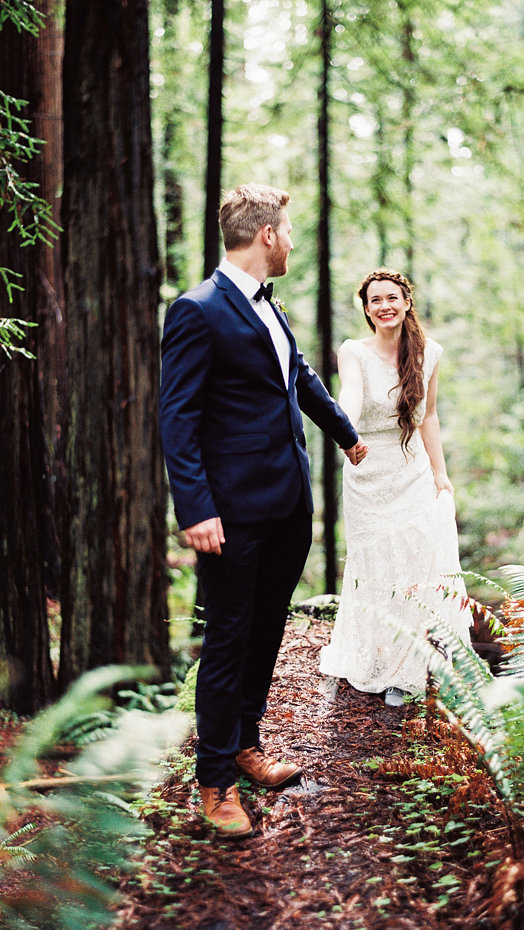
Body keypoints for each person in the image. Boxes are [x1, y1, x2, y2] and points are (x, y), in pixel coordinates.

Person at [159, 183, 368, 838]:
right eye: (290, 231)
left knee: (266, 630)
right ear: (269, 235)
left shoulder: (267, 306)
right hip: (230, 513)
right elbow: (177, 418)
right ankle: (215, 780)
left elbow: (298, 377)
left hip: (286, 506)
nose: (294, 243)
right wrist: (195, 509)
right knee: (227, 638)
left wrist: (348, 435)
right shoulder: (196, 309)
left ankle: (246, 743)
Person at [319, 268, 471, 706]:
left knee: (414, 567)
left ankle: (404, 671)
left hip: (413, 470)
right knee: (376, 570)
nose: (384, 306)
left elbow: (430, 417)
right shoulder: (353, 352)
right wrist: (344, 429)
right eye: (374, 301)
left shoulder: (430, 353)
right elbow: (350, 395)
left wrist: (441, 473)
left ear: (406, 301)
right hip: (368, 470)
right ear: (366, 310)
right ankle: (375, 656)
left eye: (391, 298)